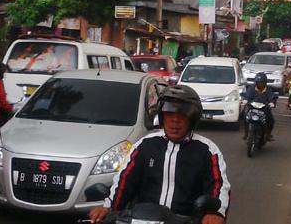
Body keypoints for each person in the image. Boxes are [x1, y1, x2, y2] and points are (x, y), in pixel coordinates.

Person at [88, 85, 230, 224]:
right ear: (162, 116)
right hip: (142, 218)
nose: (175, 119)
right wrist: (109, 206)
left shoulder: (207, 150)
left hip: (187, 219)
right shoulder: (145, 145)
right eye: (169, 113)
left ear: (192, 119)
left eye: (182, 114)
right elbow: (125, 180)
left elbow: (219, 185)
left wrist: (215, 213)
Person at [242, 72, 277, 141]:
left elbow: (272, 97)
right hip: (252, 108)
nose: (260, 84)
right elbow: (247, 96)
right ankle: (246, 134)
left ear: (265, 82)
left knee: (271, 120)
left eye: (262, 83)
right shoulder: (252, 88)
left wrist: (272, 103)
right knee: (245, 117)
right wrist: (245, 100)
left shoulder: (268, 89)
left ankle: (268, 134)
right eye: (258, 82)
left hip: (264, 109)